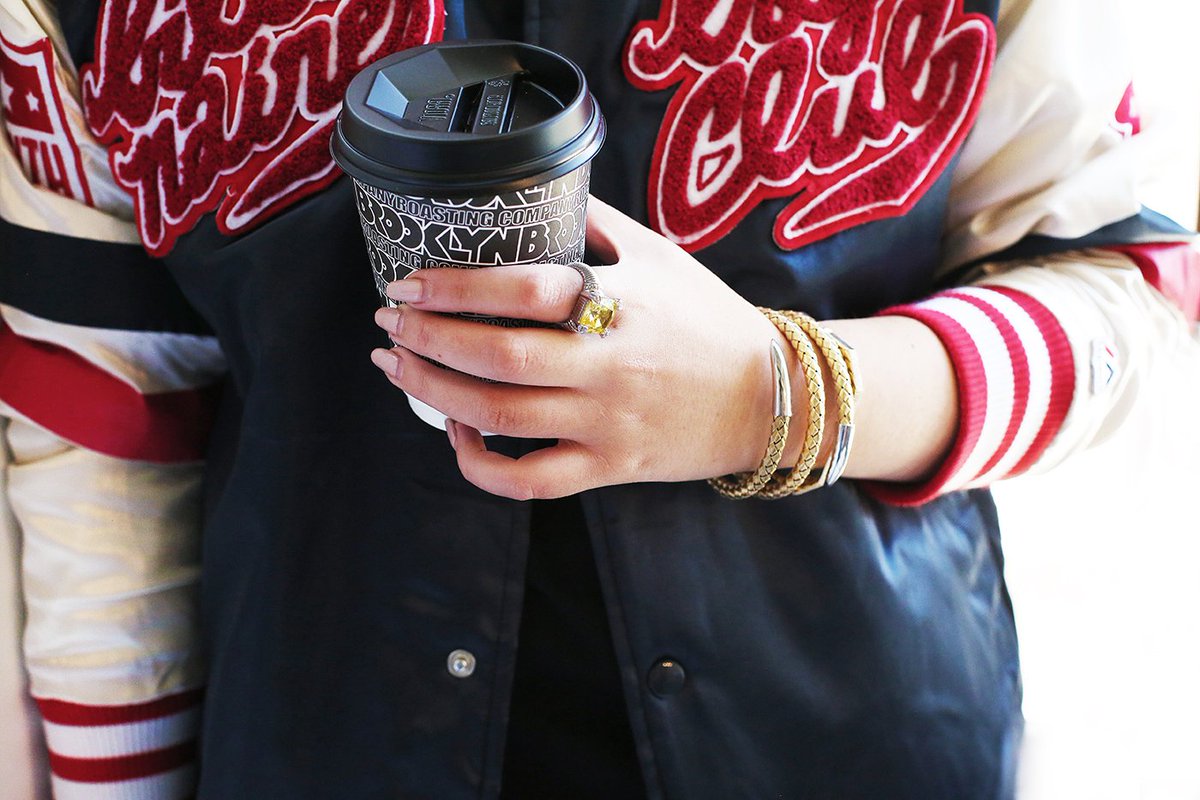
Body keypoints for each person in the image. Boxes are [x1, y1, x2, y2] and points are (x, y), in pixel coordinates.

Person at [0, 0, 1196, 798]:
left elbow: (1123, 288)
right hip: (315, 733)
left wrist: (777, 393)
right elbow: (100, 415)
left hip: (850, 734)